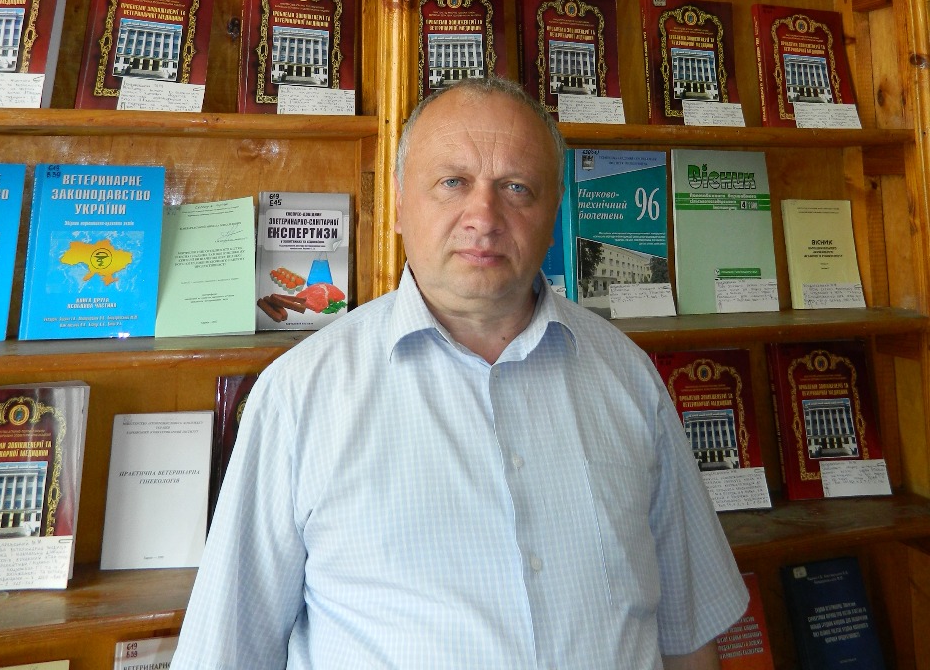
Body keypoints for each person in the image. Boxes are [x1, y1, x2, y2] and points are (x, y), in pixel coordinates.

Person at [172, 77, 748, 669]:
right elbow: (226, 652)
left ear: (554, 210)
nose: (484, 217)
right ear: (399, 203)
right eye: (453, 182)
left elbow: (687, 630)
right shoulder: (298, 396)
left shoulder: (629, 375)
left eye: (516, 187)